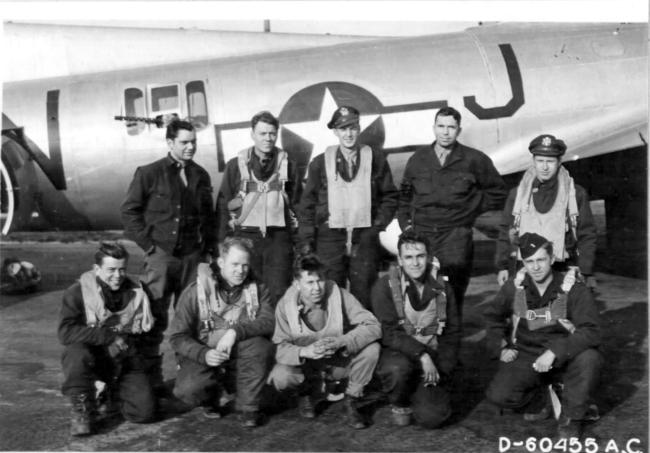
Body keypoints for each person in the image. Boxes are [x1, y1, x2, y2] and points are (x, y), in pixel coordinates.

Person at [121, 119, 216, 394]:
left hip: (192, 258)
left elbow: (208, 218)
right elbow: (129, 212)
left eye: (193, 142)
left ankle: (189, 379)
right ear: (170, 143)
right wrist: (149, 247)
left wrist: (207, 252)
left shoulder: (201, 175)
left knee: (191, 318)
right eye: (184, 142)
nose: (190, 147)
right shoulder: (149, 173)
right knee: (153, 316)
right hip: (161, 257)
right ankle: (149, 381)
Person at [484, 233, 602, 439]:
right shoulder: (516, 285)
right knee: (499, 395)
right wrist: (501, 346)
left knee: (589, 358)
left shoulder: (572, 287)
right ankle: (544, 396)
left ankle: (572, 416)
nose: (535, 267)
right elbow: (492, 317)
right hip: (528, 352)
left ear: (552, 258)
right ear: (523, 262)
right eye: (529, 261)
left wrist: (554, 352)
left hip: (565, 353)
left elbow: (591, 331)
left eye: (541, 260)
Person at [397, 106, 506, 321]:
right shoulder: (418, 159)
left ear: (459, 130)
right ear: (433, 128)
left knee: (453, 291)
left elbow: (498, 192)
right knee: (421, 291)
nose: (445, 132)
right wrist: (406, 227)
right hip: (423, 234)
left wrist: (471, 210)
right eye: (441, 126)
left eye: (451, 127)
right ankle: (426, 338)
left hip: (455, 234)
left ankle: (451, 342)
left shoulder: (474, 159)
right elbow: (404, 197)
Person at [297, 105, 398, 308]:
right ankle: (335, 337)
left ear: (359, 128)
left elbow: (390, 196)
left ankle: (364, 337)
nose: (349, 134)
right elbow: (307, 204)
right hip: (330, 237)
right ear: (335, 131)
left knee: (365, 293)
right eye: (343, 129)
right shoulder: (319, 163)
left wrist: (376, 226)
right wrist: (308, 240)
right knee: (331, 293)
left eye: (353, 128)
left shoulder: (375, 159)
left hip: (364, 237)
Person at [268, 252, 382, 429]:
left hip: (338, 361)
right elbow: (280, 348)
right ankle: (305, 393)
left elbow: (373, 325)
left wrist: (343, 341)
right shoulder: (284, 305)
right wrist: (305, 351)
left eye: (320, 280)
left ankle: (352, 398)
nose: (317, 288)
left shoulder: (339, 295)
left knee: (372, 349)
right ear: (297, 284)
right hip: (307, 366)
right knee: (281, 376)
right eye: (310, 282)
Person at [169, 237, 274, 428]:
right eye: (234, 264)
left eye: (245, 265)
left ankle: (248, 407)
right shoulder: (195, 291)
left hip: (239, 352)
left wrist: (235, 331)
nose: (240, 271)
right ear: (221, 262)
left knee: (260, 345)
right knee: (188, 389)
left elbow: (268, 321)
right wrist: (204, 354)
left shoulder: (257, 287)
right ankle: (210, 397)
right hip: (205, 352)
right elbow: (177, 336)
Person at [58, 242, 156, 436]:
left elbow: (145, 332)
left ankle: (111, 392)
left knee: (144, 413)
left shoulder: (136, 290)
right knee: (75, 352)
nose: (117, 276)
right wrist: (108, 336)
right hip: (93, 359)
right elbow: (65, 332)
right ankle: (82, 408)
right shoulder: (76, 292)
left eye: (122, 270)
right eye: (111, 270)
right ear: (97, 269)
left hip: (123, 357)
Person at [370, 230, 460, 428]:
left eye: (420, 256)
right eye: (408, 257)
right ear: (400, 260)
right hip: (399, 353)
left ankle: (423, 391)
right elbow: (388, 332)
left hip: (433, 353)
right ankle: (400, 400)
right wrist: (422, 355)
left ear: (428, 257)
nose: (415, 263)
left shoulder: (442, 286)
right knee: (397, 369)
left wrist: (443, 369)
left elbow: (452, 331)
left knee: (433, 418)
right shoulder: (384, 286)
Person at [216, 111, 300, 304]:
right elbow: (223, 205)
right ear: (252, 134)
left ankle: (277, 333)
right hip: (245, 238)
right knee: (246, 291)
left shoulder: (288, 166)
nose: (268, 139)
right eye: (262, 134)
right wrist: (221, 243)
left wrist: (299, 241)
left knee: (279, 292)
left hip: (278, 239)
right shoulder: (236, 166)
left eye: (272, 133)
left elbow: (297, 204)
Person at [495, 134, 597, 289]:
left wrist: (585, 269)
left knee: (563, 311)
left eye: (550, 161)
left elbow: (587, 233)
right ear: (533, 162)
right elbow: (506, 231)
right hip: (527, 268)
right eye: (540, 161)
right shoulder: (518, 194)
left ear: (559, 162)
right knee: (526, 312)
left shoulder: (575, 194)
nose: (544, 167)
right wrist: (502, 265)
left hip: (563, 268)